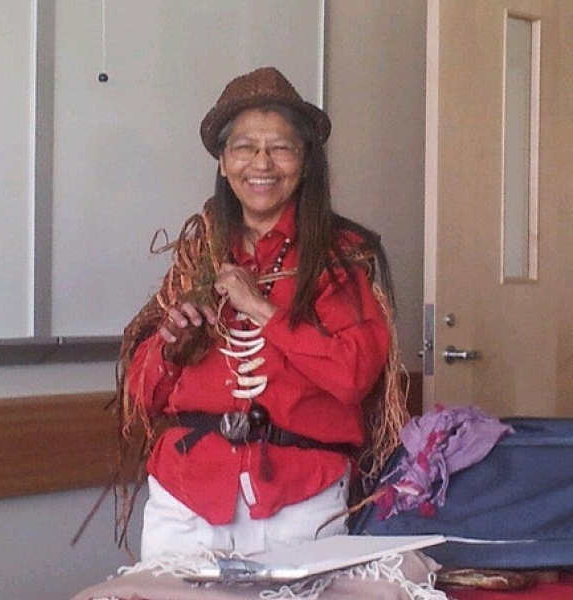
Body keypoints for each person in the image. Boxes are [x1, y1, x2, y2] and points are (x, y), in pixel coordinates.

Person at [115, 66, 408, 561]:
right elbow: (142, 396)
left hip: (300, 496)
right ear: (225, 164)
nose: (262, 163)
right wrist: (170, 347)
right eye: (245, 147)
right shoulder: (196, 256)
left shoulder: (342, 259)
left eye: (281, 148)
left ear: (306, 164)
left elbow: (355, 373)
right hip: (187, 495)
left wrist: (261, 308)